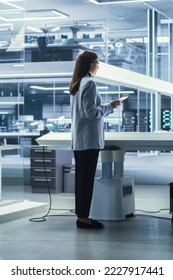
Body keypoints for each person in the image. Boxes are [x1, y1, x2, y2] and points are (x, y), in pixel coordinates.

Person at [69, 50, 120, 229]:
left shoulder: (77, 84)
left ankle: (81, 216)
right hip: (89, 141)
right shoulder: (89, 83)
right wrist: (110, 106)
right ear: (88, 64)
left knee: (81, 181)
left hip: (80, 140)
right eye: (96, 62)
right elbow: (91, 114)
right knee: (86, 181)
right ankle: (83, 219)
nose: (98, 65)